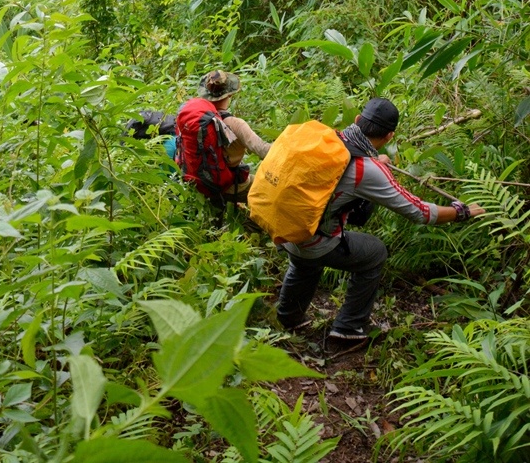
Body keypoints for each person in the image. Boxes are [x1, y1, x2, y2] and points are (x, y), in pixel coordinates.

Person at [275, 97, 485, 341]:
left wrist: (375, 162)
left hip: (286, 228)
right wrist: (462, 212)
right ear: (389, 137)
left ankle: (287, 318)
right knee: (374, 252)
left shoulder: (327, 142)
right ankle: (349, 327)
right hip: (313, 241)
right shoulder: (367, 170)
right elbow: (420, 212)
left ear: (356, 121)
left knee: (305, 260)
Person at [175, 69, 270, 205]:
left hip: (199, 181)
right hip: (228, 185)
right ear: (230, 94)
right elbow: (263, 151)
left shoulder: (194, 118)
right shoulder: (235, 124)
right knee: (269, 189)